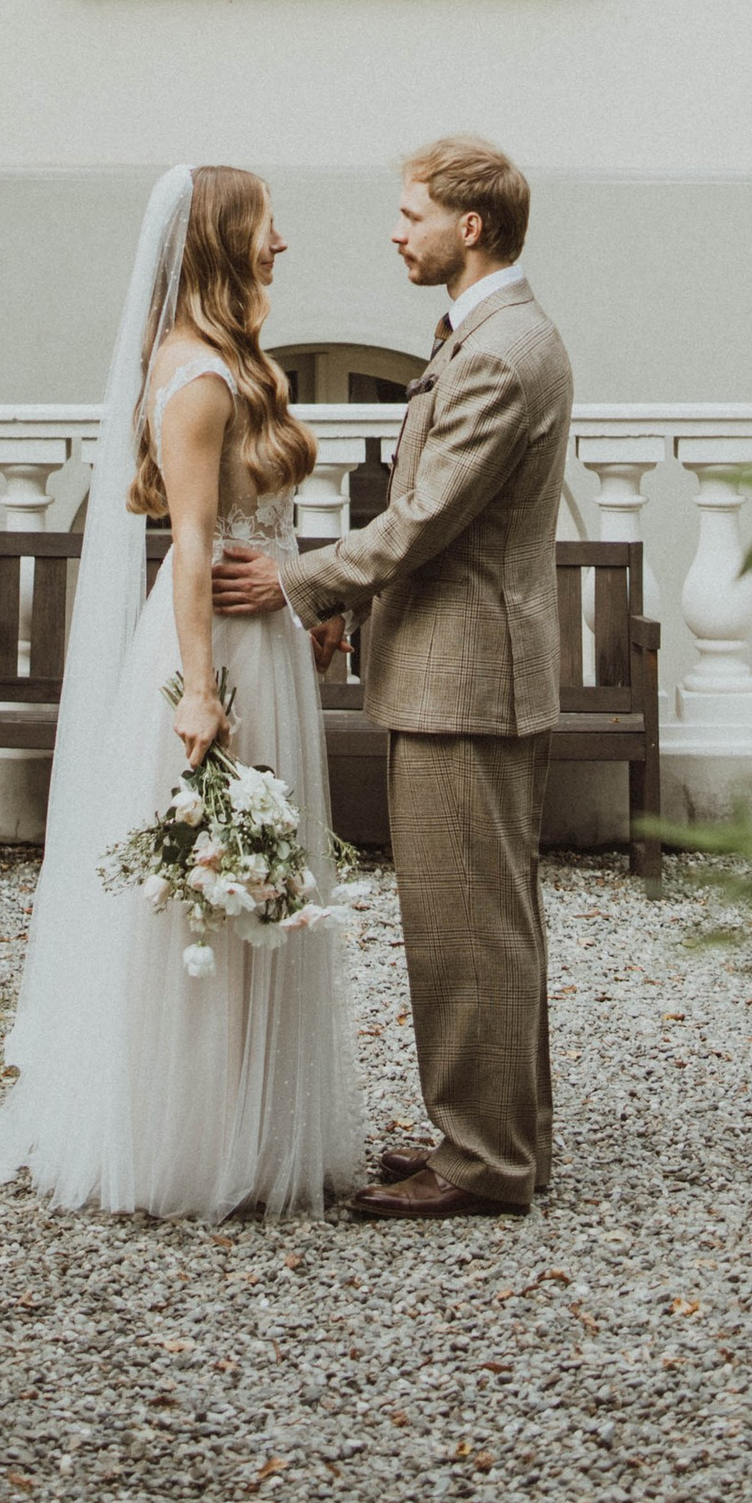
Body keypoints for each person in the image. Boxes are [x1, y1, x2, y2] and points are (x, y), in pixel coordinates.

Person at [0, 162, 363, 1219]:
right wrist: (198, 694)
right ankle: (189, 1139)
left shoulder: (243, 360)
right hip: (214, 655)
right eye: (269, 228)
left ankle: (257, 1117)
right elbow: (188, 545)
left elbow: (261, 526)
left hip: (269, 643)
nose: (282, 244)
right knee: (206, 892)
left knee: (267, 887)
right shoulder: (193, 377)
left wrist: (308, 605)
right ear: (222, 240)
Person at [213, 133, 570, 1220]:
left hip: (468, 682)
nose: (394, 229)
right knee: (470, 924)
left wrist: (296, 583)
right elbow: (434, 524)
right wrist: (346, 606)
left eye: (410, 213)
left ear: (470, 227)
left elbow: (424, 520)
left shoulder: (504, 351)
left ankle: (487, 1164)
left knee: (469, 929)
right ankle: (493, 1139)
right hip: (447, 669)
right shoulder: (481, 335)